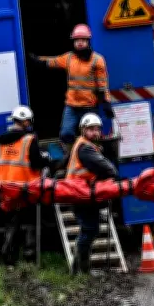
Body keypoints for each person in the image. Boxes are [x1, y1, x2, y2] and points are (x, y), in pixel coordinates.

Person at [30, 24, 115, 146]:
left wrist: (106, 103)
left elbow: (102, 84)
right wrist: (36, 60)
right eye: (77, 40)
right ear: (73, 42)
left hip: (89, 106)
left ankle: (89, 156)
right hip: (72, 106)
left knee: (91, 137)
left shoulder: (97, 60)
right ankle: (73, 156)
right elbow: (53, 61)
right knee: (65, 134)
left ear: (88, 41)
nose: (80, 43)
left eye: (83, 40)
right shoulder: (69, 58)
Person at [0, 105, 50, 265]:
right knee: (32, 221)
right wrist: (47, 159)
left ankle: (8, 257)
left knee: (12, 222)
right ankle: (30, 256)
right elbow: (37, 163)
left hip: (6, 189)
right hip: (26, 188)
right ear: (26, 122)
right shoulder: (29, 139)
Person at [65, 113, 118, 274]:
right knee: (90, 230)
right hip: (82, 196)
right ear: (83, 130)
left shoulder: (84, 145)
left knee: (89, 230)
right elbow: (110, 170)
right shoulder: (86, 148)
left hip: (82, 194)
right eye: (91, 129)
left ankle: (78, 268)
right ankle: (82, 269)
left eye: (97, 129)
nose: (95, 133)